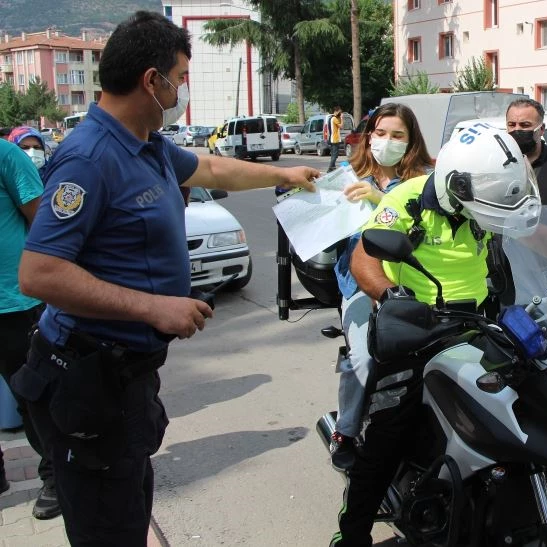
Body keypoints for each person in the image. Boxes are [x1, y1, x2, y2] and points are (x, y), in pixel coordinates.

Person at [13, 11, 318, 546]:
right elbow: (39, 273)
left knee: (128, 506)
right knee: (109, 527)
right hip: (87, 378)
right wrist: (154, 308)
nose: (181, 90)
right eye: (178, 78)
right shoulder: (88, 159)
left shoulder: (146, 142)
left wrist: (284, 174)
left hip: (125, 379)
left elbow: (212, 169)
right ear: (150, 81)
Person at [330, 126, 540, 546]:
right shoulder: (406, 200)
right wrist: (392, 297)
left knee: (534, 401)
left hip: (480, 324)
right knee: (390, 431)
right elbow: (363, 259)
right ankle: (352, 529)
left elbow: (535, 241)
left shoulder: (488, 198)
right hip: (418, 327)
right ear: (454, 183)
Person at [329, 103, 434, 471]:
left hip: (419, 284)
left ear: (411, 141)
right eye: (381, 133)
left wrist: (383, 201)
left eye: (397, 135)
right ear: (369, 135)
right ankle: (345, 429)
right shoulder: (347, 175)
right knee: (364, 356)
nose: (387, 141)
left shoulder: (426, 180)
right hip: (362, 285)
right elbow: (323, 229)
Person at [0, 137, 61, 519]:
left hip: (14, 302)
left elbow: (43, 224)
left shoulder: (7, 156)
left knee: (32, 396)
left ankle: (56, 473)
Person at [328, 105, 344, 172]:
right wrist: (342, 118)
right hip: (335, 139)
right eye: (339, 112)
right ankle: (330, 168)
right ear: (336, 111)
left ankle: (333, 168)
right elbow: (341, 126)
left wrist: (340, 118)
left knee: (334, 155)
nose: (340, 113)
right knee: (335, 155)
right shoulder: (334, 119)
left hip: (334, 139)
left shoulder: (332, 118)